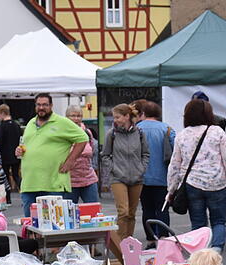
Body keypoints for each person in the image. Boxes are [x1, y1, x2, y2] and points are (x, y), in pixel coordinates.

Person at [167, 98, 226, 251]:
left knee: (198, 223)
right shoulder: (217, 132)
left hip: (192, 184)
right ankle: (216, 250)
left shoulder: (182, 135)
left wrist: (171, 189)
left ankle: (199, 253)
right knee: (218, 221)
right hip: (217, 183)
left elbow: (175, 165)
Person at [16, 93, 88, 214]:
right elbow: (28, 145)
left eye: (45, 105)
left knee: (53, 222)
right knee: (30, 222)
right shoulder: (31, 123)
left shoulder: (62, 122)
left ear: (51, 106)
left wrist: (70, 161)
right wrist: (19, 150)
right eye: (38, 105)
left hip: (53, 184)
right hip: (29, 184)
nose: (41, 108)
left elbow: (83, 138)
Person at [102, 103, 149, 243]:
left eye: (117, 117)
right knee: (123, 212)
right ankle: (120, 243)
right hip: (118, 178)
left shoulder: (140, 133)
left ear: (127, 116)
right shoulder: (112, 134)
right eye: (114, 117)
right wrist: (114, 169)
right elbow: (105, 155)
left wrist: (141, 169)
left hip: (137, 177)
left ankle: (129, 242)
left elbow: (145, 154)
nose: (115, 120)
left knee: (132, 213)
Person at [134, 100, 175, 246]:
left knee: (147, 209)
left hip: (141, 177)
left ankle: (151, 239)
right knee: (162, 209)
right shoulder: (167, 129)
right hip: (162, 177)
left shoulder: (136, 129)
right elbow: (175, 152)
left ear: (143, 113)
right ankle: (163, 240)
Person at [65, 105, 99, 203]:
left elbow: (92, 149)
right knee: (69, 211)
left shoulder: (87, 132)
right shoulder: (62, 134)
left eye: (79, 116)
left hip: (88, 179)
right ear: (66, 117)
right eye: (73, 116)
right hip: (69, 181)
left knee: (93, 209)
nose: (76, 118)